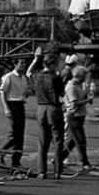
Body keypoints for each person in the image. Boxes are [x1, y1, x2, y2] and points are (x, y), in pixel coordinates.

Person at [29, 50, 66, 179]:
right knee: (58, 140)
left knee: (42, 141)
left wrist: (36, 59)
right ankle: (57, 171)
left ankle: (42, 171)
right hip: (54, 108)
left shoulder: (37, 75)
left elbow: (29, 73)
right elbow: (62, 94)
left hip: (41, 108)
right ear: (52, 65)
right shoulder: (56, 77)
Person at [0, 58, 29, 168]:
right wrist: (6, 108)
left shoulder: (24, 78)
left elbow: (24, 92)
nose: (23, 65)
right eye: (21, 63)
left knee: (20, 135)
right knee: (14, 133)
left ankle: (16, 160)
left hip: (20, 105)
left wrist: (27, 94)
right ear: (15, 64)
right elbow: (3, 92)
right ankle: (1, 151)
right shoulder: (9, 77)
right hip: (12, 105)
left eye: (24, 63)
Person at [63, 65, 92, 172]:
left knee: (73, 141)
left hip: (79, 116)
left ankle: (59, 158)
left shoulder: (78, 85)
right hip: (74, 116)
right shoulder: (71, 87)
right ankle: (85, 163)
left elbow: (81, 95)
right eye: (84, 76)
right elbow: (74, 104)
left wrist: (87, 94)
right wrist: (86, 101)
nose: (85, 78)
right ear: (79, 76)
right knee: (80, 140)